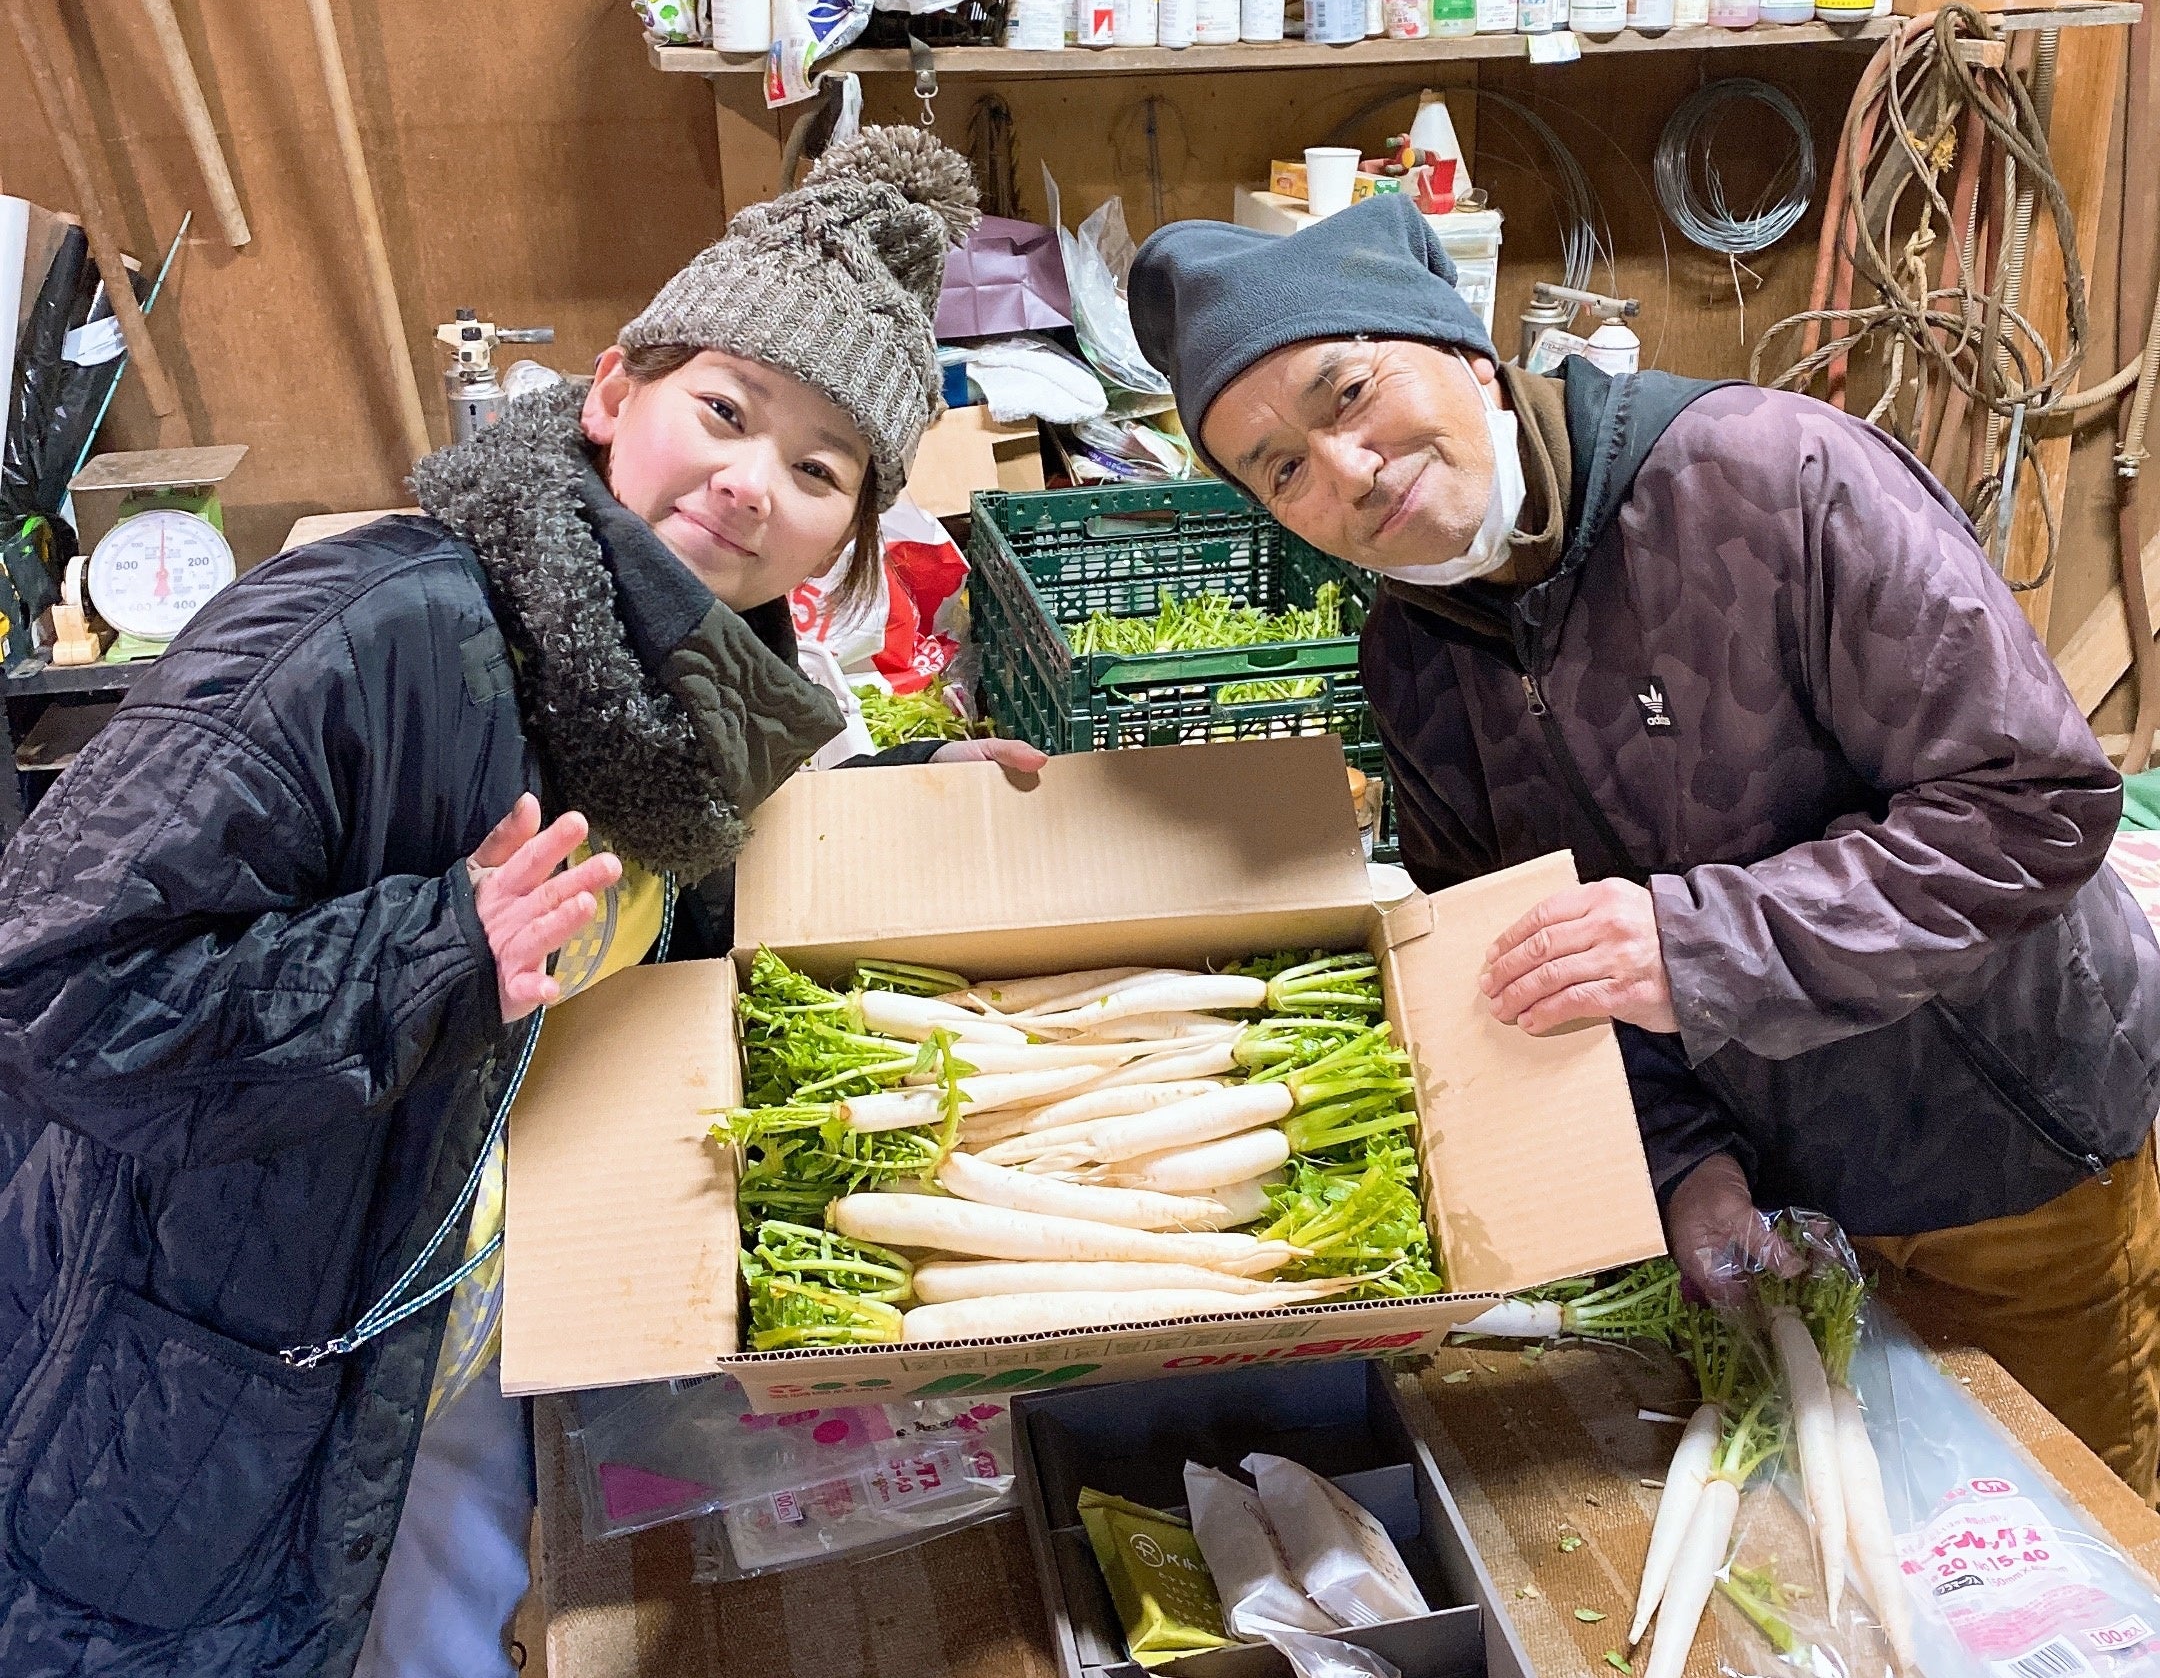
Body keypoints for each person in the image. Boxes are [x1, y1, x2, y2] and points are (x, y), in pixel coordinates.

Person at [0, 125, 1042, 1677]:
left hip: (462, 1343)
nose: (752, 484)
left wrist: (915, 800)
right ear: (615, 390)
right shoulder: (372, 626)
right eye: (726, 411)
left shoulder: (691, 700)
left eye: (817, 469)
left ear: (841, 544)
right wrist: (434, 950)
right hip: (206, 1383)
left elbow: (664, 912)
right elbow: (55, 990)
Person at [1131, 191, 2160, 1498]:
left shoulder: (1772, 478)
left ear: (1456, 349)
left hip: (2006, 1150)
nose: (1343, 472)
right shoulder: (1415, 658)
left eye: (1346, 394)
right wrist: (1686, 1163)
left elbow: (2034, 804)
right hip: (1786, 1194)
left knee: (2071, 1533)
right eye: (1279, 468)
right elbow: (1533, 962)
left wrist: (1694, 940)